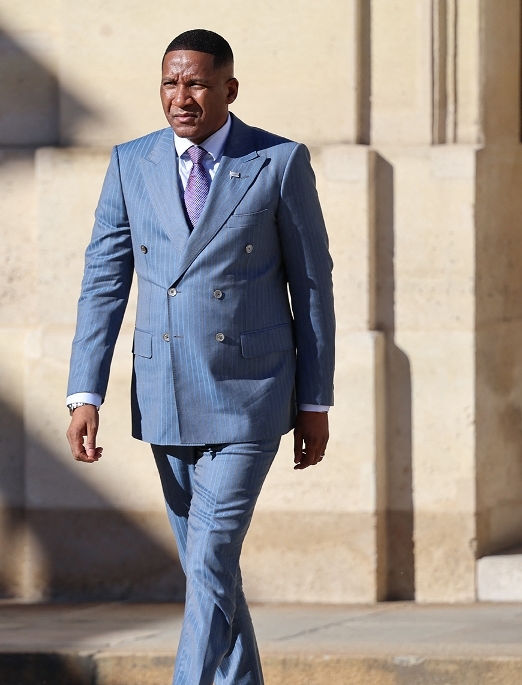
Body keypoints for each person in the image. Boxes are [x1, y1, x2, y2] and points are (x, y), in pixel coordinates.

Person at [64, 29, 335, 685]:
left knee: (211, 555)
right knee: (209, 565)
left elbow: (312, 284)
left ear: (228, 89)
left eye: (195, 84)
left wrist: (314, 400)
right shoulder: (133, 162)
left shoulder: (277, 161)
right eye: (169, 83)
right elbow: (104, 280)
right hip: (165, 389)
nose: (180, 97)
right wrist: (85, 392)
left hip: (251, 393)